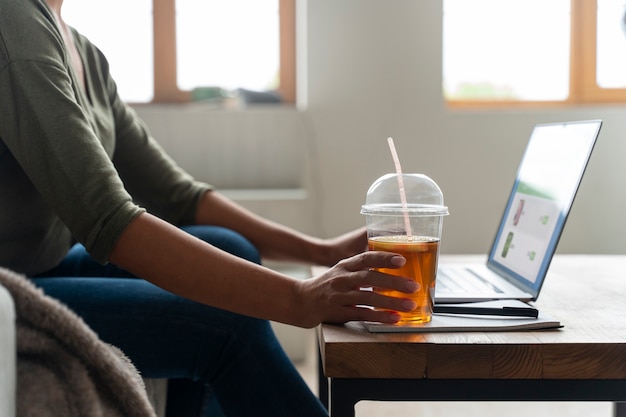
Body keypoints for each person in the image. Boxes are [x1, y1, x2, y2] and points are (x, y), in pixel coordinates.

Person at [0, 0, 419, 415]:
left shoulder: (84, 52)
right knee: (227, 325)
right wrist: (298, 298)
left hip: (44, 265)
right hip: (8, 283)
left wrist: (322, 252)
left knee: (230, 245)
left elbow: (178, 195)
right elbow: (108, 220)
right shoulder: (14, 21)